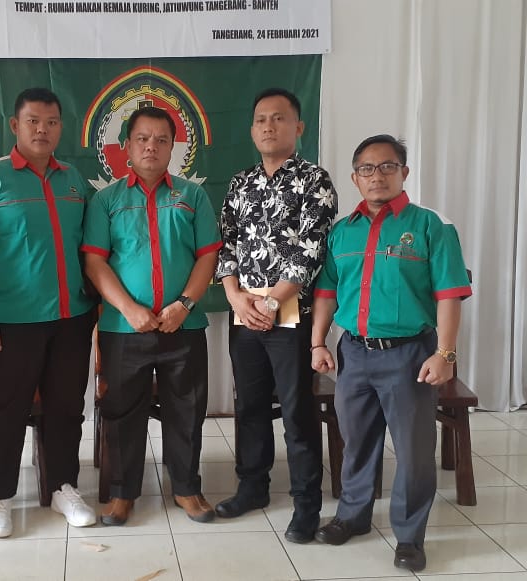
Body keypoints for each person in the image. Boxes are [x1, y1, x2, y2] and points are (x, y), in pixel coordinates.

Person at [310, 134, 472, 572]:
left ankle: (409, 536)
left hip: (409, 356)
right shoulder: (342, 232)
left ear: (404, 172)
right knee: (357, 442)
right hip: (354, 354)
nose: (376, 176)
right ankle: (353, 516)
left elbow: (450, 294)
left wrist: (445, 353)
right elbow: (326, 292)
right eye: (366, 168)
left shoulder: (431, 227)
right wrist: (318, 342)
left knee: (414, 451)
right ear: (354, 178)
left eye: (387, 166)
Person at [0, 88, 97, 538]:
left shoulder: (74, 180)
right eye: (33, 121)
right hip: (12, 322)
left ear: (61, 128)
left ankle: (63, 487)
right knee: (8, 411)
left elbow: (90, 249)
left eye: (51, 122)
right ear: (15, 126)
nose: (42, 130)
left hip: (72, 318)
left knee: (66, 408)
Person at [82, 106, 222, 526]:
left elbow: (208, 255)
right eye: (142, 138)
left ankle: (186, 488)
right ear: (126, 146)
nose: (151, 147)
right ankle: (122, 493)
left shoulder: (192, 196)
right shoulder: (106, 200)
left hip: (184, 325)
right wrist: (129, 309)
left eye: (162, 140)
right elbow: (95, 262)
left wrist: (185, 305)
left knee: (187, 410)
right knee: (122, 412)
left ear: (173, 147)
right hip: (124, 328)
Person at [214, 88, 338, 543]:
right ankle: (253, 487)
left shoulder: (314, 180)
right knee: (248, 406)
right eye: (261, 119)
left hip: (291, 318)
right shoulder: (240, 182)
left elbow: (311, 250)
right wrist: (234, 296)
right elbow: (225, 243)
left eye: (279, 118)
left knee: (296, 411)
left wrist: (271, 302)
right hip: (244, 316)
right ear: (252, 129)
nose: (269, 126)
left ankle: (307, 504)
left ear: (298, 127)